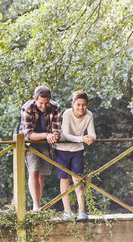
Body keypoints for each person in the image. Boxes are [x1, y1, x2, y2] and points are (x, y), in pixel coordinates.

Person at [55, 90, 96, 220]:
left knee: (78, 180)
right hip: (62, 149)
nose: (81, 108)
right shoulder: (67, 114)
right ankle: (67, 211)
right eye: (78, 104)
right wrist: (82, 139)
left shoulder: (89, 115)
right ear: (72, 104)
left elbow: (92, 133)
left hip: (77, 150)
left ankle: (82, 211)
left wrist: (91, 138)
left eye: (83, 105)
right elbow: (66, 134)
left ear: (87, 105)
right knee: (64, 179)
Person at [19, 86, 61, 211]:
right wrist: (46, 135)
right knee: (33, 172)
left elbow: (57, 130)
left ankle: (38, 205)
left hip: (46, 143)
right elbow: (28, 134)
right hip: (29, 143)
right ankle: (36, 207)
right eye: (41, 103)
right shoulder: (27, 108)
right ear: (35, 99)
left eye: (46, 103)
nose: (43, 106)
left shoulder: (56, 107)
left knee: (42, 174)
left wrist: (54, 136)